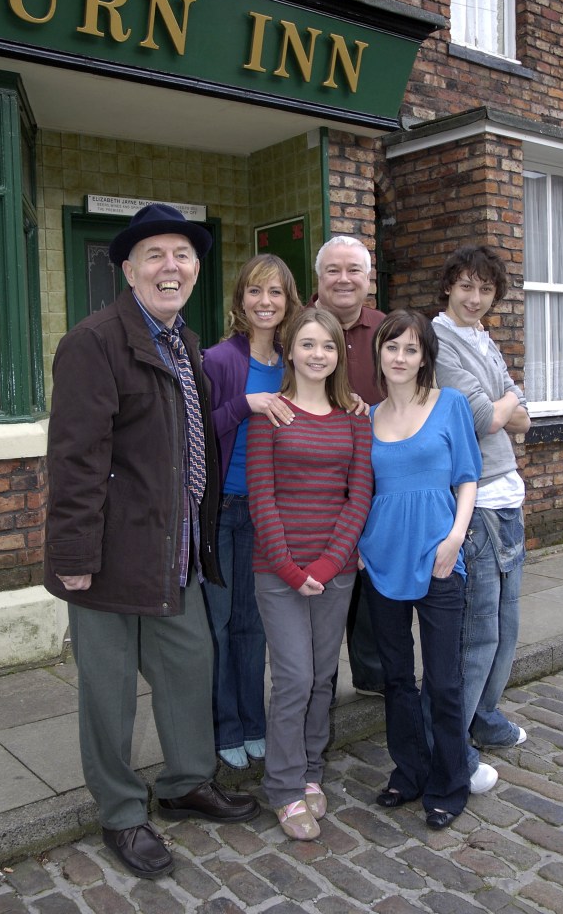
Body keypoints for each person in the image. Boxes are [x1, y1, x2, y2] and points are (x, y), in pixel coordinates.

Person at [44, 204, 259, 881]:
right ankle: (121, 812)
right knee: (107, 692)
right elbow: (75, 460)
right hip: (110, 556)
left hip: (178, 555)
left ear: (196, 270)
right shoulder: (95, 342)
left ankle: (186, 783)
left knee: (188, 670)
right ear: (129, 269)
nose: (172, 267)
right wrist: (73, 558)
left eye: (183, 255)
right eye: (156, 255)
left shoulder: (184, 342)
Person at [247, 308, 373, 840]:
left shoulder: (355, 417)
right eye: (307, 344)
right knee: (294, 678)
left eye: (328, 345)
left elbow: (358, 496)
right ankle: (282, 786)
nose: (318, 354)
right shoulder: (270, 414)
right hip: (278, 570)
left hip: (335, 569)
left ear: (339, 354)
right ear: (290, 351)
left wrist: (324, 565)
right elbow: (261, 498)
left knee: (323, 676)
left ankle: (311, 772)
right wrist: (293, 570)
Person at [359, 309, 481, 830]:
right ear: (379, 355)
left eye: (411, 348)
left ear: (424, 355)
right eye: (392, 348)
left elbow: (468, 477)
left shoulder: (450, 405)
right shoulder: (366, 418)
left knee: (444, 681)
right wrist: (361, 549)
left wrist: (455, 538)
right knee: (395, 677)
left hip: (439, 559)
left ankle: (449, 784)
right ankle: (408, 772)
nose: (400, 357)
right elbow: (360, 491)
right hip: (381, 560)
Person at [433, 245, 531, 795]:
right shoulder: (442, 341)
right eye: (466, 286)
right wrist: (508, 399)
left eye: (486, 290)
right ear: (449, 286)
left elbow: (522, 418)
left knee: (508, 625)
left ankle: (485, 715)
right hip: (476, 504)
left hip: (508, 495)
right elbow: (480, 418)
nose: (475, 298)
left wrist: (508, 401)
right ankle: (451, 739)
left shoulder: (483, 339)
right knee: (478, 630)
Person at [201, 254, 301, 771]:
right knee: (217, 625)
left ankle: (254, 722)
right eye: (255, 292)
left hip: (268, 511)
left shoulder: (295, 359)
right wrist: (247, 404)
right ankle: (225, 726)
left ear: (288, 301)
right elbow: (196, 434)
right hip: (220, 511)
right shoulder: (218, 360)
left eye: (276, 293)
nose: (266, 302)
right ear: (240, 299)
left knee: (253, 624)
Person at [311, 235, 386, 697]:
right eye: (333, 270)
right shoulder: (295, 327)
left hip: (377, 480)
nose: (344, 279)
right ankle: (320, 685)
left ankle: (373, 675)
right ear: (318, 278)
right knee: (322, 582)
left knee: (371, 581)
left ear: (368, 278)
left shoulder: (387, 330)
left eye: (354, 270)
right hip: (314, 480)